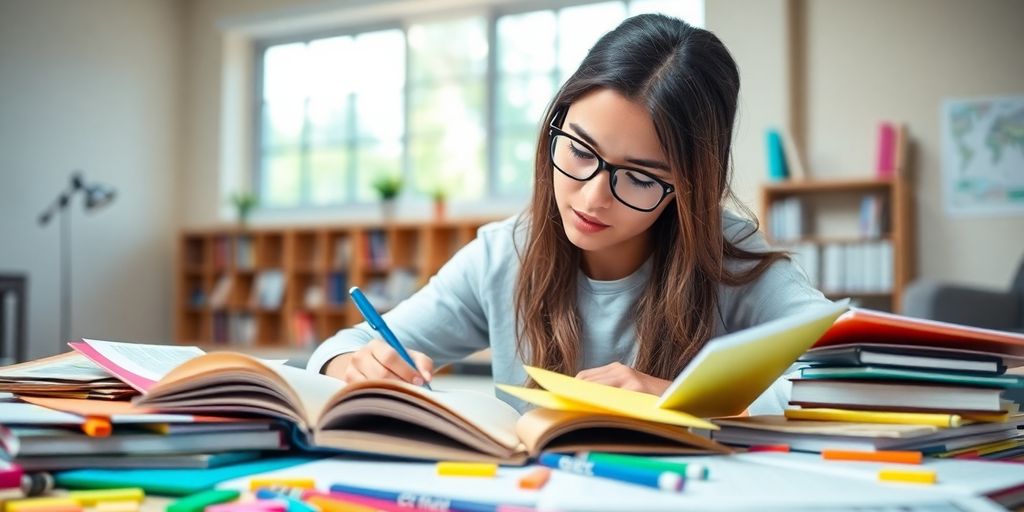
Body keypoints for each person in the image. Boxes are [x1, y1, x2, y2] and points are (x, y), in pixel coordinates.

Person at [306, 13, 830, 413]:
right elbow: (345, 346)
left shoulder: (730, 257)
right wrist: (354, 366)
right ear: (556, 125)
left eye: (641, 177)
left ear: (689, 187)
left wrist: (678, 397)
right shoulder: (503, 254)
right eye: (580, 151)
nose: (592, 197)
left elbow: (841, 376)